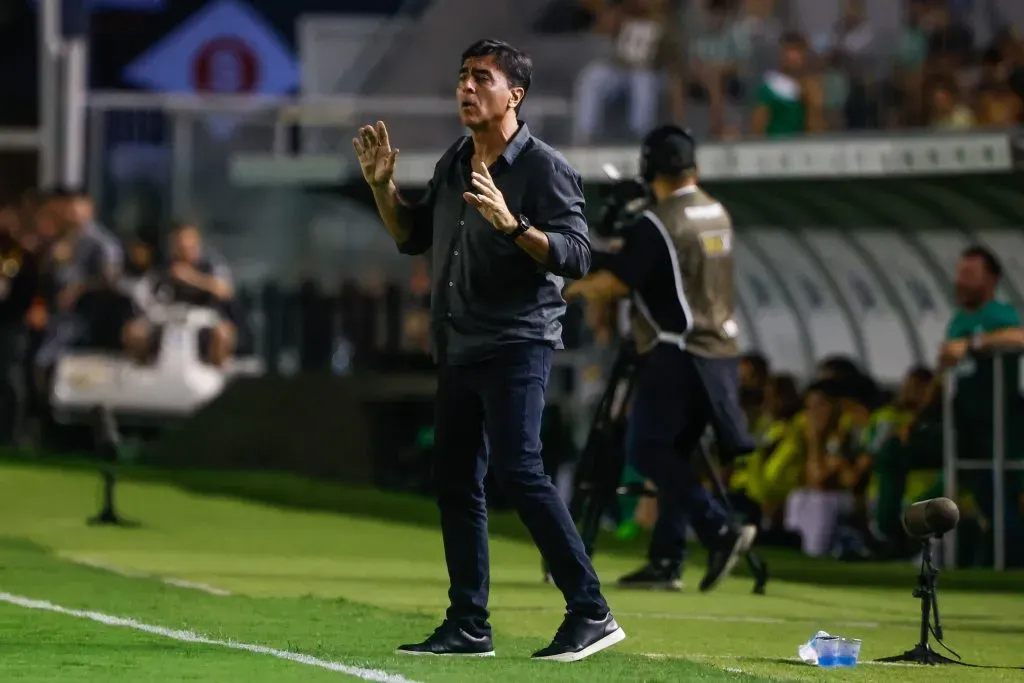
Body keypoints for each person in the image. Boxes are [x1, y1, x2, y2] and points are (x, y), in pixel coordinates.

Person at [351, 39, 624, 662]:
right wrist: (382, 188)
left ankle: (592, 611)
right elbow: (411, 237)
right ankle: (469, 623)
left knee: (520, 471)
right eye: (461, 77)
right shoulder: (456, 159)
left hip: (516, 341)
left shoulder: (543, 168)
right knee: (455, 479)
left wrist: (515, 227)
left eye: (481, 78)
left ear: (515, 95)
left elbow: (579, 256)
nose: (466, 88)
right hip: (461, 344)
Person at [564, 124, 757, 592]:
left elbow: (621, 281)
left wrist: (571, 287)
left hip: (677, 351)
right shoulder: (717, 211)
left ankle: (718, 530)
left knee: (646, 449)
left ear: (650, 168)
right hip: (720, 351)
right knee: (680, 455)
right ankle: (667, 560)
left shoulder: (658, 223)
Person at [122, 223, 236, 367]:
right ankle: (143, 370)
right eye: (181, 248)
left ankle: (217, 371)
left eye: (190, 248)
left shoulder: (211, 265)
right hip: (166, 321)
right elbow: (143, 293)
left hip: (205, 322)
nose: (186, 252)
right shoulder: (162, 269)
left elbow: (226, 291)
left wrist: (194, 278)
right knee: (134, 332)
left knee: (224, 334)